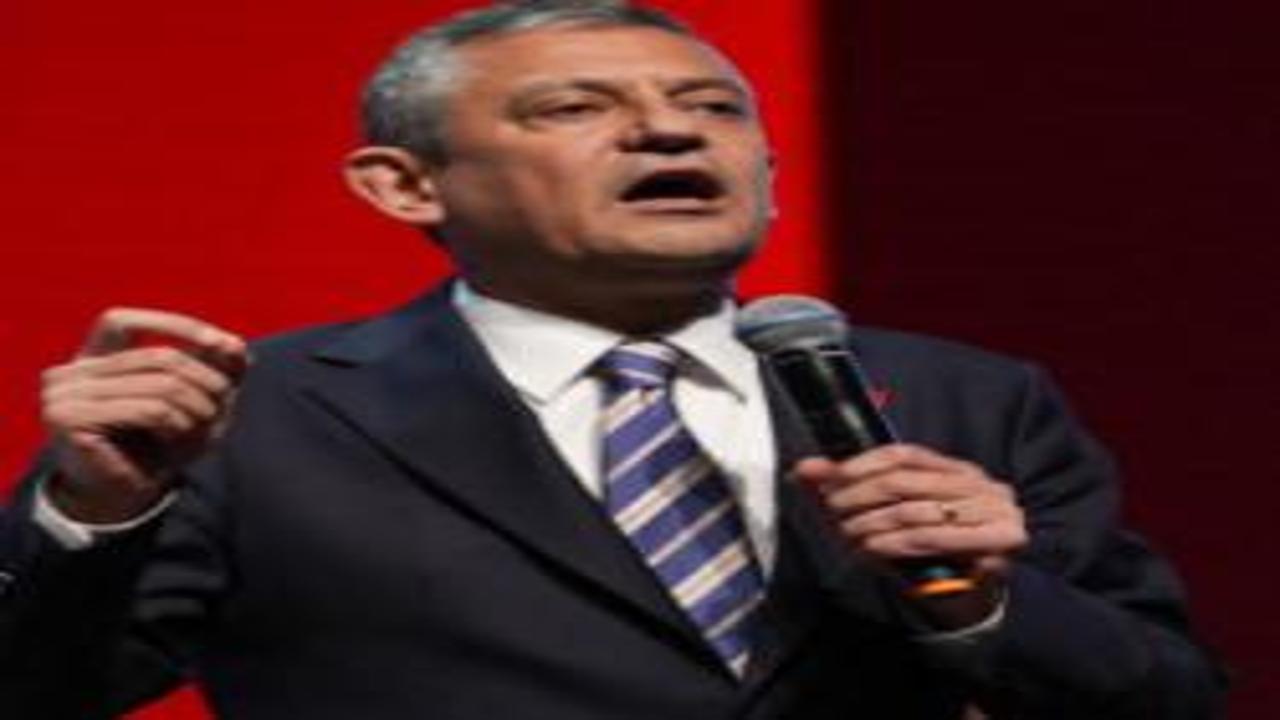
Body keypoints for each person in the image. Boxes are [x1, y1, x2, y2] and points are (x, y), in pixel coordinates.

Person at [0, 1, 1224, 718]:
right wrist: (95, 519)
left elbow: (1164, 698)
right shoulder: (252, 418)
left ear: (767, 172)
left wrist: (988, 603)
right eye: (575, 108)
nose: (666, 130)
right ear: (404, 184)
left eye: (713, 108)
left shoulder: (966, 394)